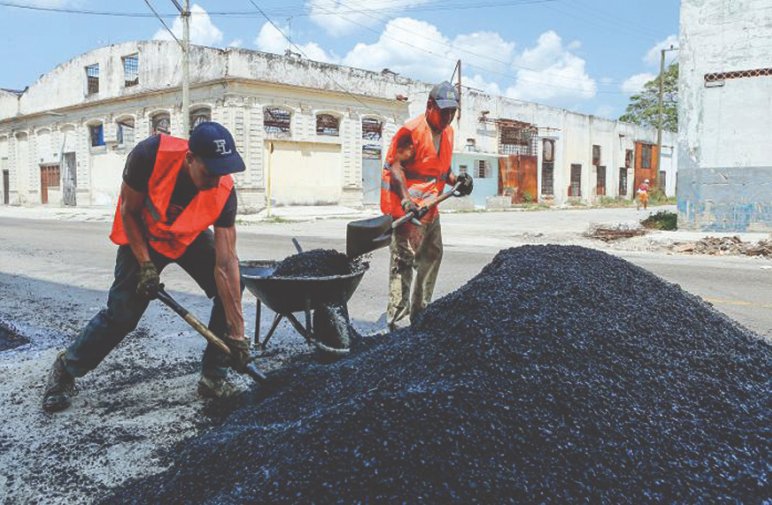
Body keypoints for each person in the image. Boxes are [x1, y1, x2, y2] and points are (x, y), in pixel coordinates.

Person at [42, 121, 251, 412]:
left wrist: (237, 335)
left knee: (232, 286)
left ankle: (214, 376)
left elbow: (227, 265)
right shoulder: (150, 155)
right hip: (143, 234)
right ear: (190, 159)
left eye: (222, 170)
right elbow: (129, 211)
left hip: (185, 237)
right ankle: (66, 368)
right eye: (209, 171)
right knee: (122, 315)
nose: (217, 179)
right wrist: (146, 265)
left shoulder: (224, 190)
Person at [381, 81, 473, 331]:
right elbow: (396, 167)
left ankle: (421, 313)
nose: (448, 117)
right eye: (444, 111)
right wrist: (405, 201)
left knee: (432, 255)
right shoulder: (410, 131)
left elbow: (440, 170)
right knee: (404, 262)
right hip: (408, 211)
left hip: (431, 207)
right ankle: (397, 323)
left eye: (453, 112)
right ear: (430, 106)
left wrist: (457, 181)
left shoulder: (448, 132)